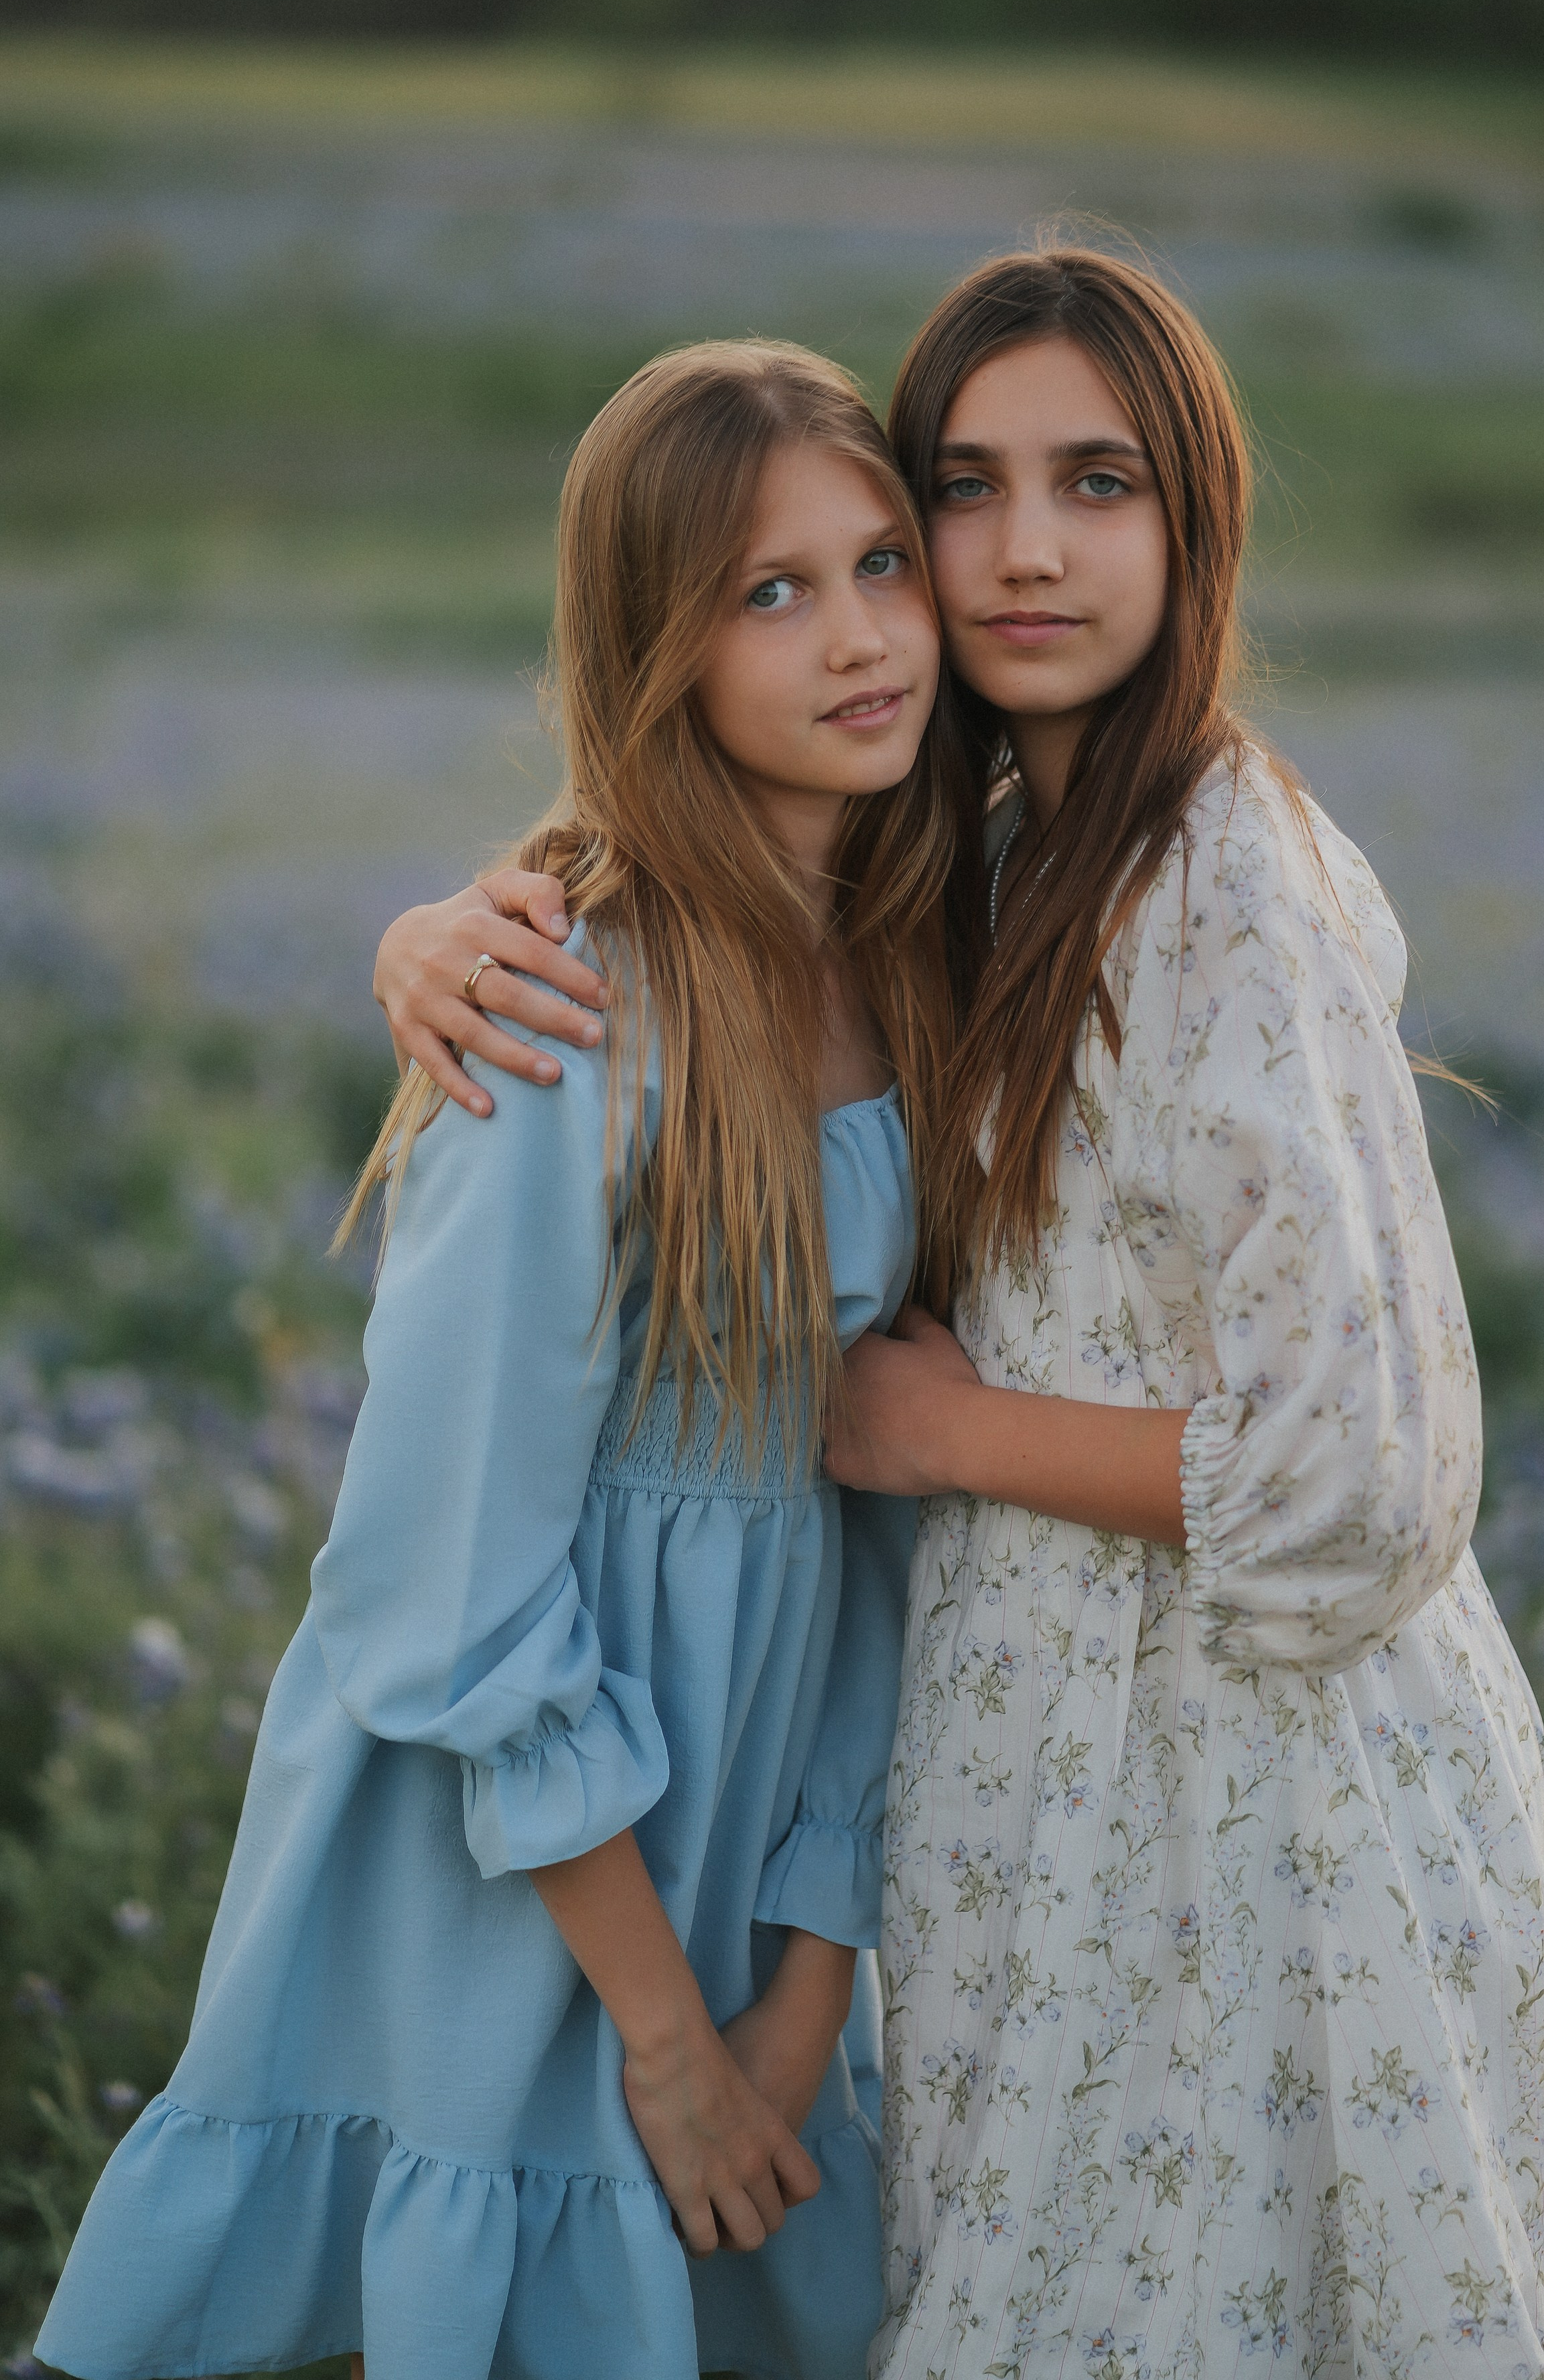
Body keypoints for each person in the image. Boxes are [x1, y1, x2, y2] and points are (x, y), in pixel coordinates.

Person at [382, 251, 1544, 2379]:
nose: (1020, 556)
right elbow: (708, 875)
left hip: (1248, 1829)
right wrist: (447, 930)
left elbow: (1366, 1480)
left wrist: (938, 1437)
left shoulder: (1224, 880)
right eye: (966, 495)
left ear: (1193, 523)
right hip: (1050, 1811)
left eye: (1095, 485)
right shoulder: (992, 851)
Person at [35, 341, 961, 2380]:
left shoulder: (910, 969)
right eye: (766, 592)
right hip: (518, 1851)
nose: (859, 635)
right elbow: (435, 1585)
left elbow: (891, 1533)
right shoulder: (566, 1020)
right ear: (658, 646)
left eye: (880, 560)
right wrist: (662, 2030)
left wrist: (806, 1992)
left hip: (757, 1809)